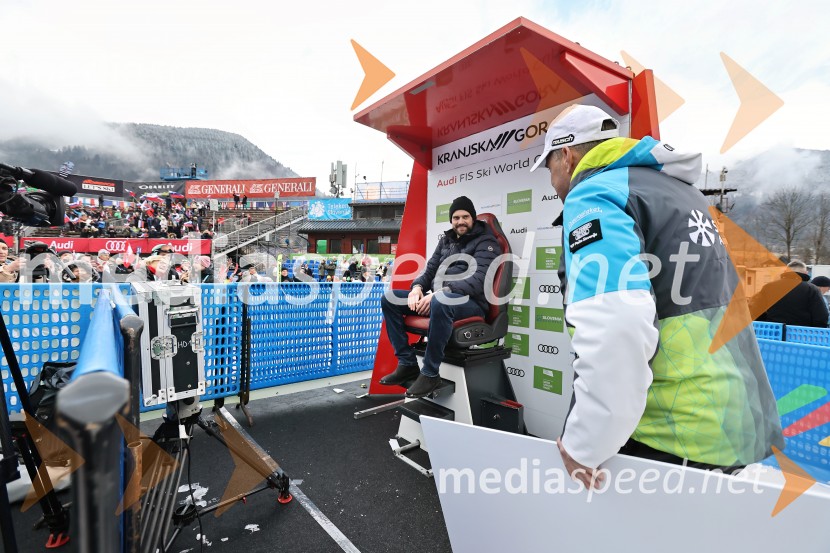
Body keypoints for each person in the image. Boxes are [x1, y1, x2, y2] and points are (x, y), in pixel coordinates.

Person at [529, 104, 783, 487]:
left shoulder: (594, 194)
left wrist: (586, 442)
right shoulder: (685, 194)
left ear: (566, 155)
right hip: (736, 421)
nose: (551, 181)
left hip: (670, 431)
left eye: (548, 167)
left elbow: (616, 327)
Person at [379, 196, 501, 398]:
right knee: (390, 299)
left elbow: (479, 281)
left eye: (465, 216)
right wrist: (417, 288)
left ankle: (430, 373)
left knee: (440, 301)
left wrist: (440, 293)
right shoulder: (446, 240)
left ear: (473, 218)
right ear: (451, 220)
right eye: (456, 217)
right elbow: (429, 271)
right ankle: (407, 363)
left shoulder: (487, 242)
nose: (460, 221)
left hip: (471, 302)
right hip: (439, 299)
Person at [752, 261, 829, 328]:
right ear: (806, 273)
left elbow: (755, 311)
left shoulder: (768, 287)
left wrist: (766, 325)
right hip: (801, 336)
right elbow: (821, 317)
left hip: (772, 334)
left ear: (785, 272)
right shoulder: (812, 289)